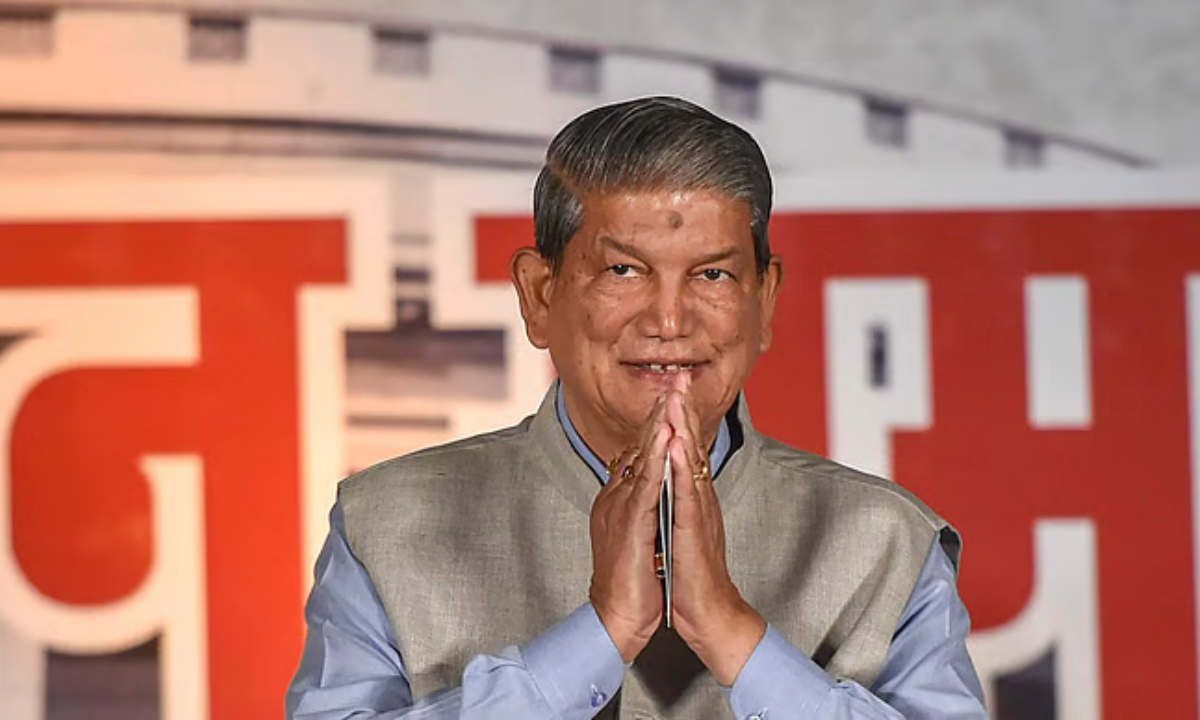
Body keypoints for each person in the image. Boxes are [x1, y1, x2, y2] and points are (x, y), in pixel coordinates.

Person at [286, 96, 987, 719]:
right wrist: (600, 634)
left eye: (712, 274)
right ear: (539, 295)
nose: (669, 321)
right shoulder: (388, 526)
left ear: (764, 300)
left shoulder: (888, 543)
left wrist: (732, 634)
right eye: (623, 270)